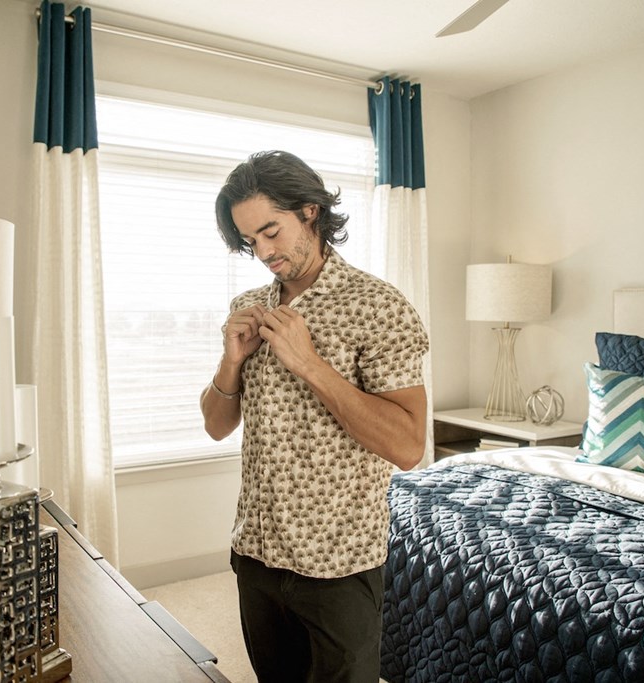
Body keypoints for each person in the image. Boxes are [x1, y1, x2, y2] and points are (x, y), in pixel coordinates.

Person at [200, 150, 429, 683]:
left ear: (310, 211)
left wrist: (309, 364)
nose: (264, 251)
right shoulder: (251, 305)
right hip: (256, 551)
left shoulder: (379, 306)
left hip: (339, 563)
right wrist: (231, 360)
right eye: (250, 241)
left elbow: (408, 446)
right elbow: (216, 425)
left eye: (271, 231)